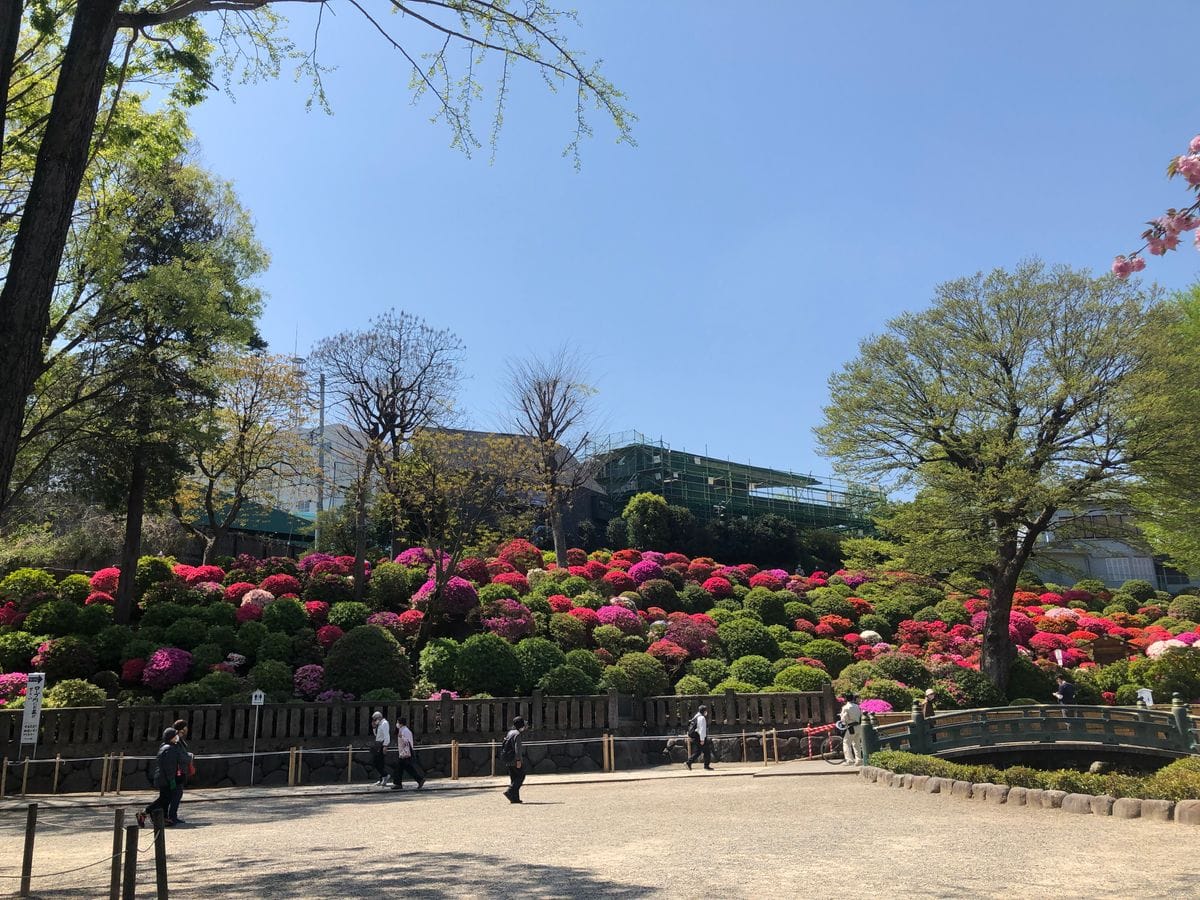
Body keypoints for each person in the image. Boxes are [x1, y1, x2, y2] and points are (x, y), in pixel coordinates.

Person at [138, 728, 185, 828]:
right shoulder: (170, 749)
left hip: (162, 777)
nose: (177, 737)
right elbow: (169, 767)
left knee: (166, 798)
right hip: (165, 778)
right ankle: (144, 812)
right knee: (164, 798)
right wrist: (172, 780)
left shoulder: (164, 747)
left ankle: (163, 818)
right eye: (175, 735)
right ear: (171, 737)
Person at [167, 719, 194, 825]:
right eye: (185, 727)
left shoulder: (179, 739)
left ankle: (171, 816)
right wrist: (189, 757)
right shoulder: (176, 740)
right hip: (176, 771)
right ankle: (171, 816)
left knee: (174, 794)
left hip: (178, 770)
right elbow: (179, 755)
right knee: (176, 794)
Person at [390, 716, 425, 791]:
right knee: (402, 768)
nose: (397, 724)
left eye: (398, 722)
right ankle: (399, 783)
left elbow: (408, 742)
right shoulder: (402, 730)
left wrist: (402, 738)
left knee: (404, 768)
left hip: (405, 753)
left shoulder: (405, 731)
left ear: (401, 723)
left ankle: (399, 783)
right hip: (403, 752)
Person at [500, 715, 527, 803]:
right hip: (515, 759)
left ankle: (515, 798)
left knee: (514, 778)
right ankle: (510, 791)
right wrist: (518, 760)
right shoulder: (517, 734)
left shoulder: (510, 732)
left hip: (508, 758)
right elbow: (517, 749)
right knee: (521, 776)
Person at [839, 692, 863, 766]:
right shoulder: (857, 706)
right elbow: (861, 715)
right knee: (856, 743)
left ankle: (849, 760)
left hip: (851, 727)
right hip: (858, 726)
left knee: (846, 743)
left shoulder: (845, 707)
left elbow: (844, 719)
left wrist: (843, 723)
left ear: (846, 699)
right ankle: (859, 760)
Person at [685, 704, 712, 771]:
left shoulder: (696, 717)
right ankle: (706, 766)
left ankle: (689, 762)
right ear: (704, 711)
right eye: (706, 711)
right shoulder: (702, 718)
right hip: (700, 737)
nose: (706, 712)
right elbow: (702, 729)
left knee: (699, 751)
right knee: (706, 751)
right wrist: (702, 739)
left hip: (696, 736)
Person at [371, 711, 391, 786]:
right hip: (378, 744)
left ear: (379, 717)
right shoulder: (379, 724)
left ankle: (385, 775)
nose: (374, 721)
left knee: (376, 762)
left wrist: (385, 746)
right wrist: (374, 727)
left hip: (381, 745)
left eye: (375, 719)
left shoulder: (384, 723)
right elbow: (377, 735)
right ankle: (382, 778)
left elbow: (387, 736)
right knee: (380, 763)